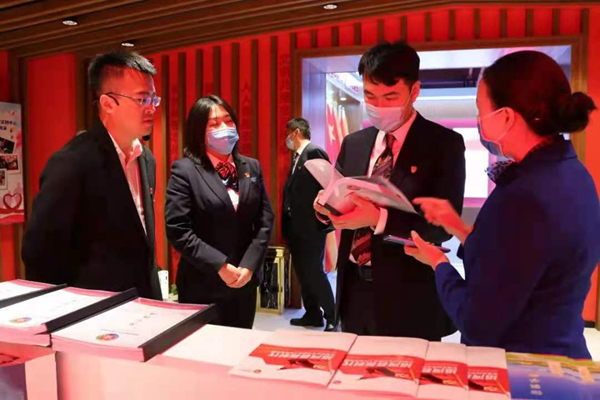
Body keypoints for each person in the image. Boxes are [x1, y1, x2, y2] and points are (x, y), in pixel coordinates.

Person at [405, 51, 600, 359]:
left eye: (480, 110)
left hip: (524, 365)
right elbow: (519, 262)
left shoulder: (526, 195)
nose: (479, 121)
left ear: (506, 117)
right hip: (563, 355)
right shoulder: (572, 172)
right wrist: (458, 227)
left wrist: (438, 264)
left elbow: (478, 322)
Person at [314, 41, 466, 339]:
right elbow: (339, 201)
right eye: (370, 95)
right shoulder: (355, 143)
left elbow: (441, 229)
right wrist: (324, 209)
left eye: (390, 96)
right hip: (354, 291)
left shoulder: (443, 145)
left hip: (409, 297)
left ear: (414, 91)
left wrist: (378, 219)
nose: (379, 106)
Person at [22, 51, 162, 299]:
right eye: (142, 99)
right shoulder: (72, 162)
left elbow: (142, 246)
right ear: (108, 103)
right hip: (94, 309)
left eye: (154, 98)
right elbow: (39, 254)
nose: (151, 107)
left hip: (143, 304)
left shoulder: (146, 159)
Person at [165, 95, 274, 329]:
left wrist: (249, 265)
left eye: (228, 120)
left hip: (244, 282)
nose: (224, 128)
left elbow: (265, 220)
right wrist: (220, 266)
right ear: (199, 131)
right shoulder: (185, 170)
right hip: (202, 284)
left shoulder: (251, 166)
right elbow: (178, 229)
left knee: (241, 345)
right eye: (214, 124)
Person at [282, 117, 336, 331]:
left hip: (311, 227)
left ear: (296, 132)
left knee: (314, 271)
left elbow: (328, 185)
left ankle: (332, 316)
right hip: (296, 227)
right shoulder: (296, 157)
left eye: (288, 133)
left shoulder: (314, 152)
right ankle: (313, 313)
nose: (286, 139)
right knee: (303, 273)